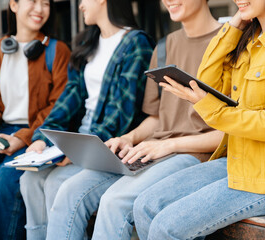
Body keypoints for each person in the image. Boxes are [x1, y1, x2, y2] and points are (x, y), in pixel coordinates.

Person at [132, 0, 265, 239]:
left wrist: (208, 107)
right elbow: (207, 82)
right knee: (145, 205)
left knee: (166, 227)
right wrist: (233, 27)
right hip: (239, 162)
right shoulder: (250, 40)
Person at [42, 0, 225, 239]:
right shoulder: (164, 46)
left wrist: (167, 145)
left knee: (114, 202)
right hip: (154, 151)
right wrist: (128, 138)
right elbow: (158, 118)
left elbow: (233, 130)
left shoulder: (230, 43)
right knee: (68, 190)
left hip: (196, 155)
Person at [19, 0, 154, 239]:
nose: (80, 5)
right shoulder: (86, 43)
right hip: (80, 140)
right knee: (29, 179)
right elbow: (69, 97)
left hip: (107, 146)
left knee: (55, 184)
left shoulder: (136, 44)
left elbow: (123, 113)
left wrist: (78, 150)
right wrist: (42, 137)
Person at [0, 0, 70, 239]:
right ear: (14, 5)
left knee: (3, 183)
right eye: (33, 1)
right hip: (3, 131)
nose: (39, 9)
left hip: (39, 133)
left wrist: (23, 138)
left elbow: (58, 107)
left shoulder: (57, 51)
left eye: (46, 3)